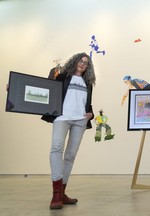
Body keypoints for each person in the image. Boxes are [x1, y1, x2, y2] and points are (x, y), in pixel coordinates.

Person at [41, 52, 96, 210]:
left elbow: (86, 103)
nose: (83, 64)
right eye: (81, 60)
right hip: (62, 118)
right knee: (57, 148)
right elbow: (45, 90)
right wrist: (15, 89)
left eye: (86, 63)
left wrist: (90, 113)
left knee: (70, 156)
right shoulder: (62, 77)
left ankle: (62, 192)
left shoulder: (88, 82)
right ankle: (56, 194)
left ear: (88, 67)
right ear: (75, 61)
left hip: (80, 120)